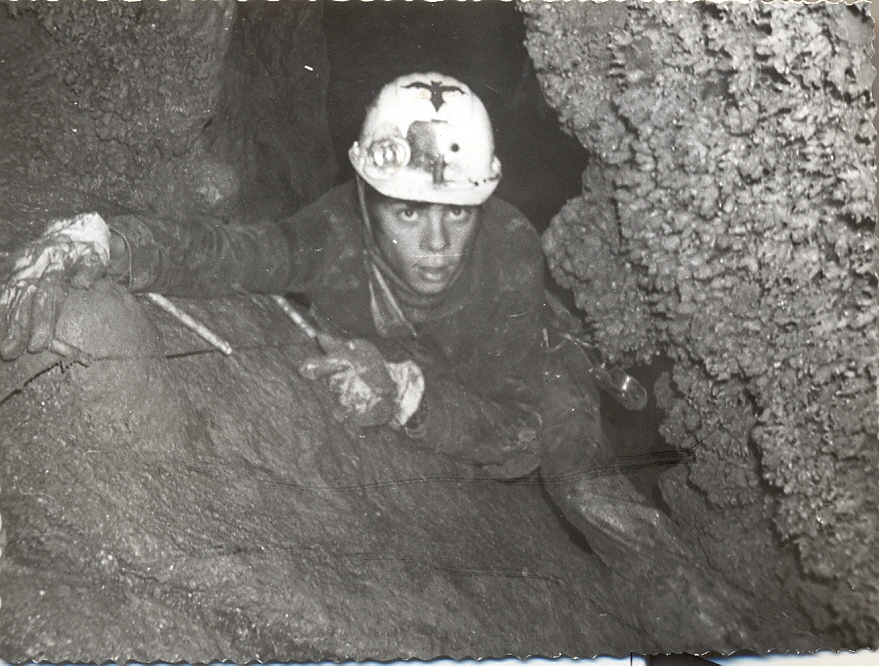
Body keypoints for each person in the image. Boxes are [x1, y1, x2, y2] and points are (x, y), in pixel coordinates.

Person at [0, 73, 747, 646]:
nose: (434, 244)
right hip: (415, 346)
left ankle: (708, 617)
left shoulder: (508, 253)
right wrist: (101, 240)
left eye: (456, 214)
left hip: (523, 357)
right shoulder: (337, 232)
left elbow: (519, 438)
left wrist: (408, 397)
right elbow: (231, 255)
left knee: (587, 487)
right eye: (408, 210)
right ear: (367, 196)